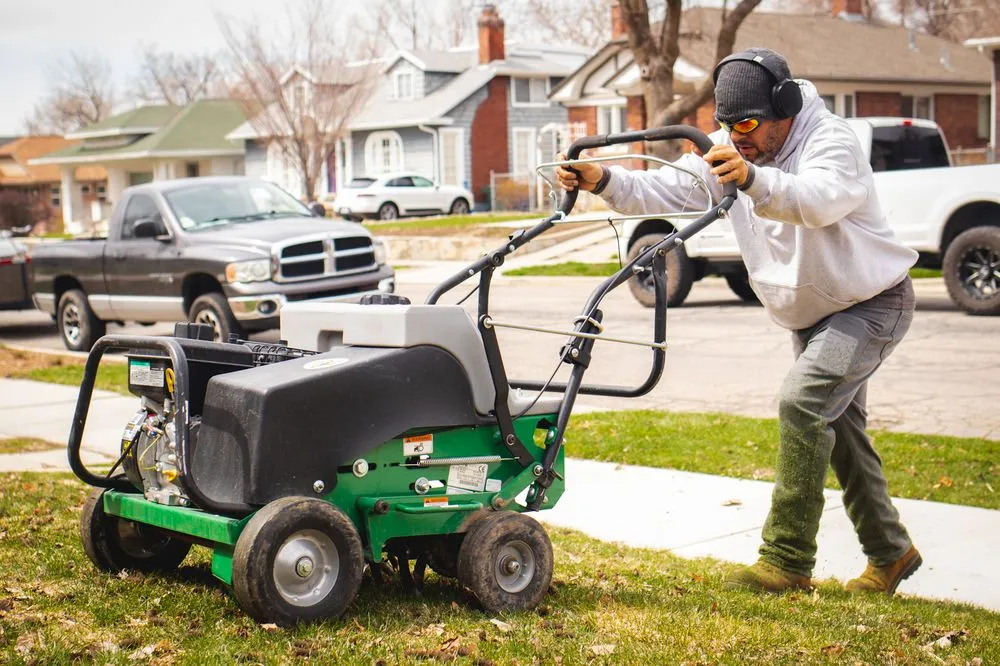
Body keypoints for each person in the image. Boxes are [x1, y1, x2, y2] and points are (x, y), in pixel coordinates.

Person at [555, 47, 922, 595]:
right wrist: (603, 178)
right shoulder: (737, 146)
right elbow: (671, 188)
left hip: (871, 303)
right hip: (815, 313)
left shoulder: (831, 142)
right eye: (725, 125)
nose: (735, 136)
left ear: (786, 109)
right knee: (838, 432)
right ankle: (891, 552)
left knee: (803, 404)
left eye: (747, 124)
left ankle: (786, 561)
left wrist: (752, 179)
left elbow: (817, 201)